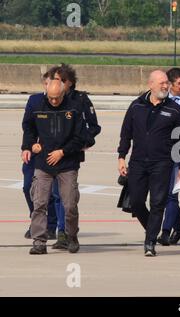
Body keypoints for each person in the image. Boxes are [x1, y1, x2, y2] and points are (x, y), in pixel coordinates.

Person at [117, 70, 180, 257]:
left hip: (162, 163)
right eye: (162, 83)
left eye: (166, 83)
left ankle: (150, 242)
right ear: (151, 84)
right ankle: (152, 229)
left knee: (158, 203)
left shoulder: (175, 109)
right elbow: (126, 133)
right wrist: (121, 157)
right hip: (138, 162)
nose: (165, 86)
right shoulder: (136, 106)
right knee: (137, 202)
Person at [21, 80, 87, 255]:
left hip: (67, 163)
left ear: (63, 94)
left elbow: (81, 137)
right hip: (43, 163)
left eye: (57, 98)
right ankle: (39, 241)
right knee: (39, 202)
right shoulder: (37, 106)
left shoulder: (74, 108)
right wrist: (29, 145)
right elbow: (28, 128)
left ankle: (71, 236)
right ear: (46, 92)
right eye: (51, 98)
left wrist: (63, 152)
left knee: (70, 204)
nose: (54, 101)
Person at [48, 63, 102, 249]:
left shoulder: (80, 100)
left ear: (70, 82)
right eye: (56, 79)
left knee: (68, 197)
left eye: (62, 80)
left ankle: (68, 232)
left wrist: (84, 142)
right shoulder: (50, 99)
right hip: (50, 154)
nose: (58, 83)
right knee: (55, 195)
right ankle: (61, 233)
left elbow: (94, 127)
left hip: (70, 154)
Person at [22, 72, 59, 240]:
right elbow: (27, 126)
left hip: (53, 153)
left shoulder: (62, 102)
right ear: (45, 84)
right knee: (28, 186)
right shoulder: (34, 100)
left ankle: (49, 226)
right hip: (35, 152)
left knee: (50, 192)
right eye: (48, 83)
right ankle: (36, 220)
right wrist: (27, 146)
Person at [157, 67, 180, 246]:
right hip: (160, 155)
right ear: (170, 84)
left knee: (173, 195)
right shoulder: (160, 101)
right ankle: (179, 228)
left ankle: (165, 231)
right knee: (163, 195)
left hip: (179, 155)